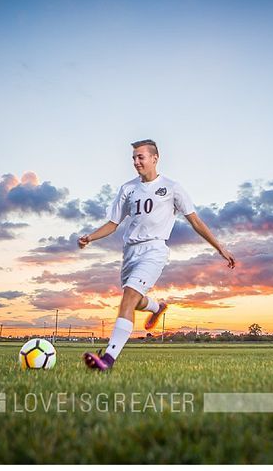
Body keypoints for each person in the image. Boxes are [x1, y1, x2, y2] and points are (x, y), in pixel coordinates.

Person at [78, 138, 235, 370]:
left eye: (140, 157)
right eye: (133, 158)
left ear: (155, 158)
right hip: (130, 252)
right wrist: (90, 237)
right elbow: (113, 223)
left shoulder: (172, 188)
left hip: (154, 250)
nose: (136, 162)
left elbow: (195, 221)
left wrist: (219, 247)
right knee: (133, 301)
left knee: (128, 297)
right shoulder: (127, 189)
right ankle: (156, 307)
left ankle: (108, 359)